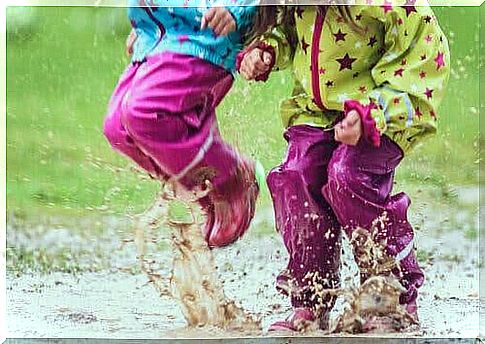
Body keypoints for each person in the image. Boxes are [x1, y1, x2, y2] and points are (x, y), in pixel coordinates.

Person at [238, 2, 450, 331]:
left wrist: (372, 113)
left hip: (381, 113)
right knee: (295, 176)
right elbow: (288, 30)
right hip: (317, 111)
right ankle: (312, 295)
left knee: (347, 175)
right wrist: (267, 49)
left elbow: (421, 58)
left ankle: (391, 293)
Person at [103, 0, 260, 247]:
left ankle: (231, 177)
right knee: (118, 129)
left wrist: (237, 8)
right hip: (158, 36)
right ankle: (206, 190)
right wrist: (148, 19)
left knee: (143, 113)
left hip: (204, 35)